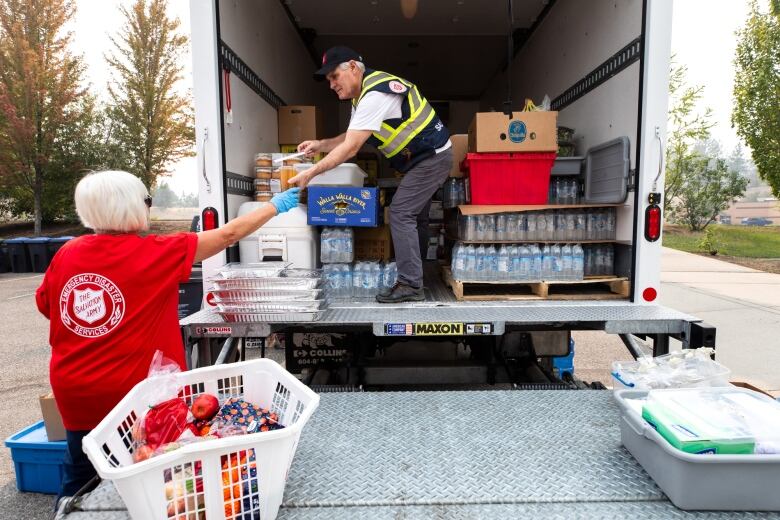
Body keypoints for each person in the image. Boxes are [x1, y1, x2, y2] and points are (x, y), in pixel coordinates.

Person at [35, 170, 300, 506]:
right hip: (138, 395)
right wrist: (275, 206)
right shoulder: (157, 251)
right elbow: (228, 234)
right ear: (131, 206)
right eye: (147, 200)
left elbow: (49, 306)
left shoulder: (67, 253)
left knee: (81, 477)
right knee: (158, 477)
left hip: (75, 390)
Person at [288, 46, 452, 303]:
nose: (331, 85)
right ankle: (417, 275)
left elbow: (351, 148)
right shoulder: (362, 97)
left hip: (433, 157)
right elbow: (351, 136)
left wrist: (312, 173)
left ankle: (410, 284)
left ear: (352, 67)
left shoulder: (376, 94)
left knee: (400, 212)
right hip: (424, 159)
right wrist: (320, 144)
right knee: (415, 216)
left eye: (334, 77)